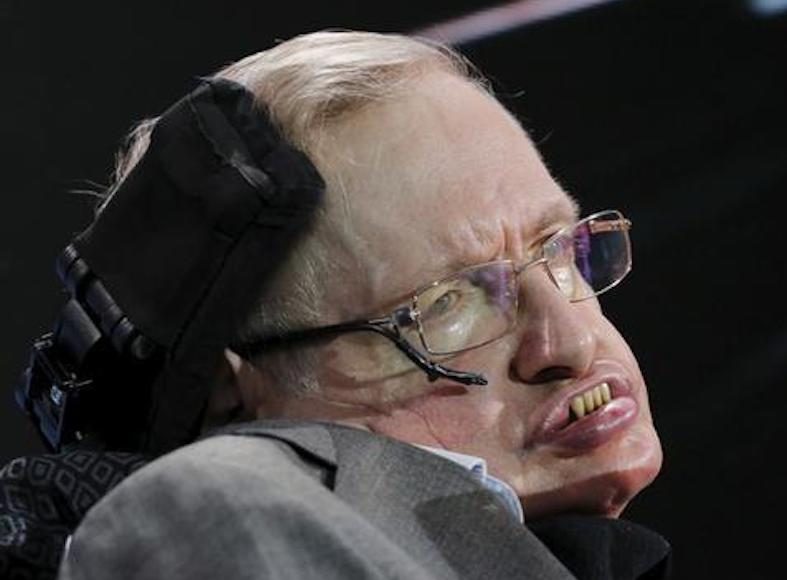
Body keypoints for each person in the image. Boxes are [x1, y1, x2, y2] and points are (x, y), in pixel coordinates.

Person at [56, 30, 666, 579]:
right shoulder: (214, 508)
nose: (569, 342)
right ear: (232, 392)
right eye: (447, 304)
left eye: (556, 248)